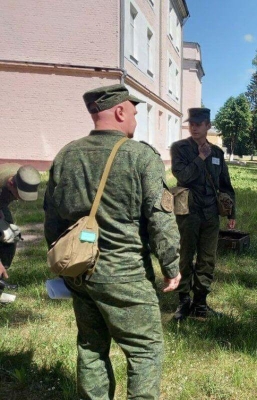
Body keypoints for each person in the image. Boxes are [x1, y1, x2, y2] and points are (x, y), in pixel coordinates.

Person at [44, 84, 181, 399]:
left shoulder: (66, 155)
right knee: (145, 349)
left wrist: (65, 265)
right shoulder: (140, 156)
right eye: (134, 112)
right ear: (120, 111)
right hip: (126, 274)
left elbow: (52, 221)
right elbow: (161, 218)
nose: (135, 119)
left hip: (80, 272)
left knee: (91, 347)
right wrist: (172, 265)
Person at [170, 107, 236, 321]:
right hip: (188, 212)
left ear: (208, 125)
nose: (194, 127)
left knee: (207, 259)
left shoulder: (217, 153)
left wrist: (231, 212)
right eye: (191, 124)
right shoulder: (179, 148)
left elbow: (225, 183)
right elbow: (182, 176)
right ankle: (183, 301)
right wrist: (200, 158)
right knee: (186, 256)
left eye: (199, 124)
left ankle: (200, 302)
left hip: (210, 214)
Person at [0, 164, 41, 286]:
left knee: (10, 235)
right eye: (19, 194)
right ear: (10, 184)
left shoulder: (23, 176)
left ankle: (1, 274)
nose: (19, 199)